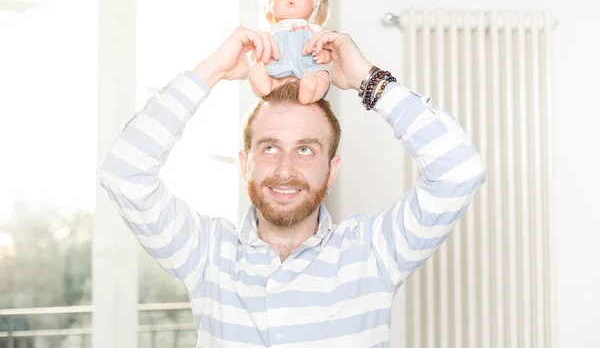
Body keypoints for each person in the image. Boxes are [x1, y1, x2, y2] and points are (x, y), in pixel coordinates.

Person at [99, 26, 486, 347]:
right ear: (244, 163)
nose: (285, 169)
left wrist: (369, 81)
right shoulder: (206, 255)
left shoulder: (374, 251)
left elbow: (459, 170)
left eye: (305, 149)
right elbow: (123, 173)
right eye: (269, 148)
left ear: (331, 170)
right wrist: (213, 70)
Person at [249, 0, 332, 105]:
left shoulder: (315, 30)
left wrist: (323, 55)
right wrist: (258, 54)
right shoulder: (272, 30)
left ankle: (310, 92)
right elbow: (260, 47)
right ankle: (265, 84)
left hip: (308, 69)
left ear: (314, 1)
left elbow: (328, 51)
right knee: (262, 73)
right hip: (279, 68)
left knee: (323, 75)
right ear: (270, 4)